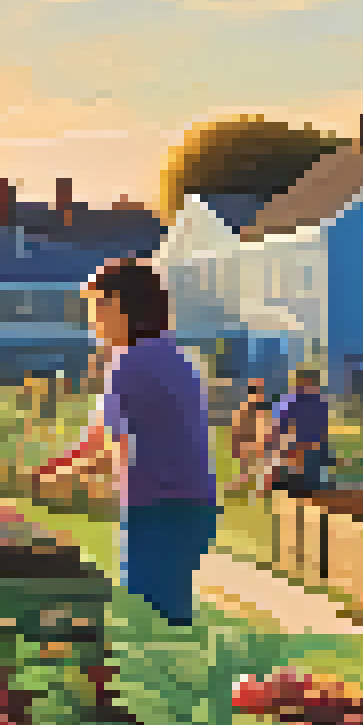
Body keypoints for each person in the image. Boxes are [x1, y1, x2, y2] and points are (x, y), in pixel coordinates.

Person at [33, 258, 217, 627]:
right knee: (169, 614)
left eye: (96, 307)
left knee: (148, 620)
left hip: (158, 508)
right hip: (192, 505)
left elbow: (109, 450)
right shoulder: (174, 356)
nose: (91, 320)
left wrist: (59, 478)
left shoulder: (129, 363)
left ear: (120, 306)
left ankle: (169, 681)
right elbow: (96, 439)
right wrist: (54, 468)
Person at [262, 368, 330, 497]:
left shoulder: (313, 402)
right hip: (298, 446)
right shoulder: (294, 401)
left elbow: (320, 428)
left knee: (306, 482)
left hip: (306, 447)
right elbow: (283, 423)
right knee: (300, 481)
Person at [227, 379, 272, 495]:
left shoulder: (262, 412)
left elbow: (267, 432)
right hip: (249, 446)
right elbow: (237, 431)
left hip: (257, 447)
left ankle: (257, 491)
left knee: (256, 473)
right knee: (248, 472)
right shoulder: (245, 411)